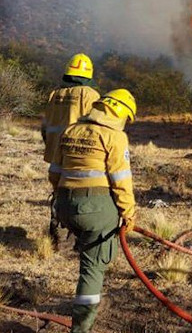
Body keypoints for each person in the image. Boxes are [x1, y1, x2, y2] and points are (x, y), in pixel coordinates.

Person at [54, 89, 137, 332]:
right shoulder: (114, 136)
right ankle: (82, 327)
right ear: (120, 113)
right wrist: (128, 213)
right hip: (96, 208)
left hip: (64, 204)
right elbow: (121, 181)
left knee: (89, 250)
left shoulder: (71, 130)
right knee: (92, 268)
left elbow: (54, 173)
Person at [42, 53, 100, 247]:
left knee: (59, 191)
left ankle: (56, 229)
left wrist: (51, 145)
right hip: (77, 154)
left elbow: (45, 126)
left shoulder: (54, 94)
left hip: (55, 153)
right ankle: (75, 237)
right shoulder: (90, 95)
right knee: (78, 194)